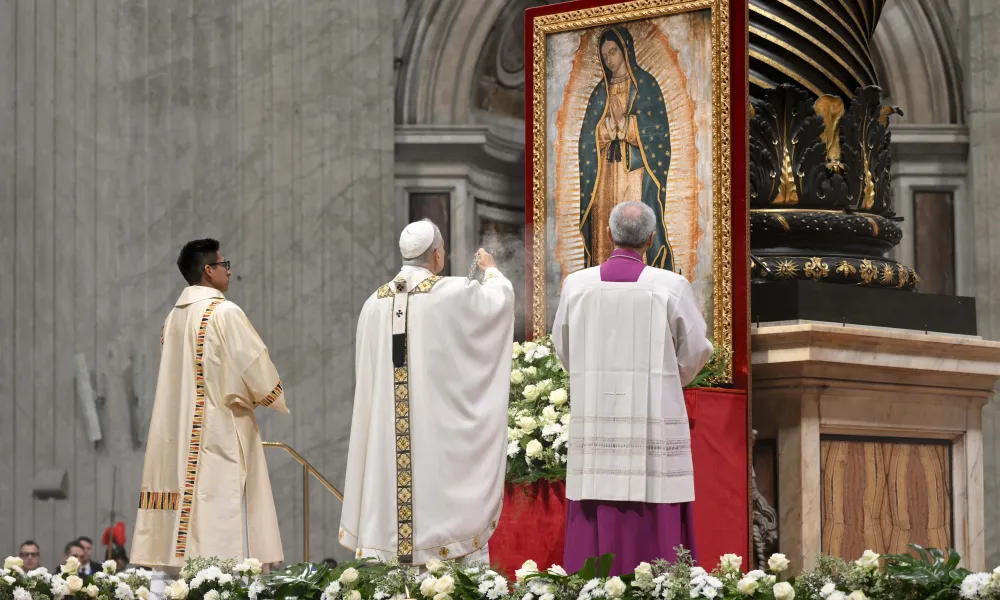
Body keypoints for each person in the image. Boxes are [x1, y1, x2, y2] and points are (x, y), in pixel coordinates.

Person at [340, 219, 515, 565]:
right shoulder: (452, 292)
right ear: (437, 254)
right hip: (437, 435)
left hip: (389, 442)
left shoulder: (372, 304)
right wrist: (492, 272)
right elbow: (498, 303)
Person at [553, 201, 713, 575]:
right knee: (655, 497)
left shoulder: (576, 286)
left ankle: (591, 584)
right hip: (651, 418)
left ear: (608, 235)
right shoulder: (670, 286)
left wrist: (591, 377)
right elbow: (695, 351)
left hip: (596, 419)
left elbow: (564, 349)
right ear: (652, 239)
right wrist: (672, 381)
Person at [131, 238, 288, 579]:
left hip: (176, 433)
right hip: (219, 428)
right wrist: (269, 396)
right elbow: (254, 368)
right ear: (208, 270)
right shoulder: (224, 312)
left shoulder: (172, 319)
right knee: (221, 509)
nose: (229, 270)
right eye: (224, 263)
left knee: (188, 510)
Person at [579, 25, 673, 269]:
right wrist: (610, 128)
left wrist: (626, 124)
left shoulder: (645, 85)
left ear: (625, 50)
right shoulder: (600, 92)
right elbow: (588, 138)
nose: (609, 60)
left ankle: (637, 275)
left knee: (632, 223)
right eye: (605, 56)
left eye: (613, 52)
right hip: (605, 174)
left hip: (634, 174)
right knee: (604, 226)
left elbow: (658, 135)